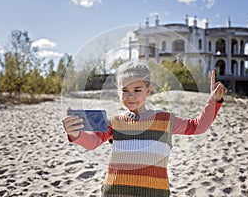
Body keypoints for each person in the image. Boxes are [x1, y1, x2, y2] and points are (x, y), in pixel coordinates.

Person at [62, 61, 226, 196]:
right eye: (124, 90)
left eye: (137, 90)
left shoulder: (165, 120)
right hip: (116, 192)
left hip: (155, 192)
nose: (130, 96)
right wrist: (75, 133)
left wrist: (213, 101)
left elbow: (197, 127)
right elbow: (93, 142)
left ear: (148, 90)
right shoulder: (115, 122)